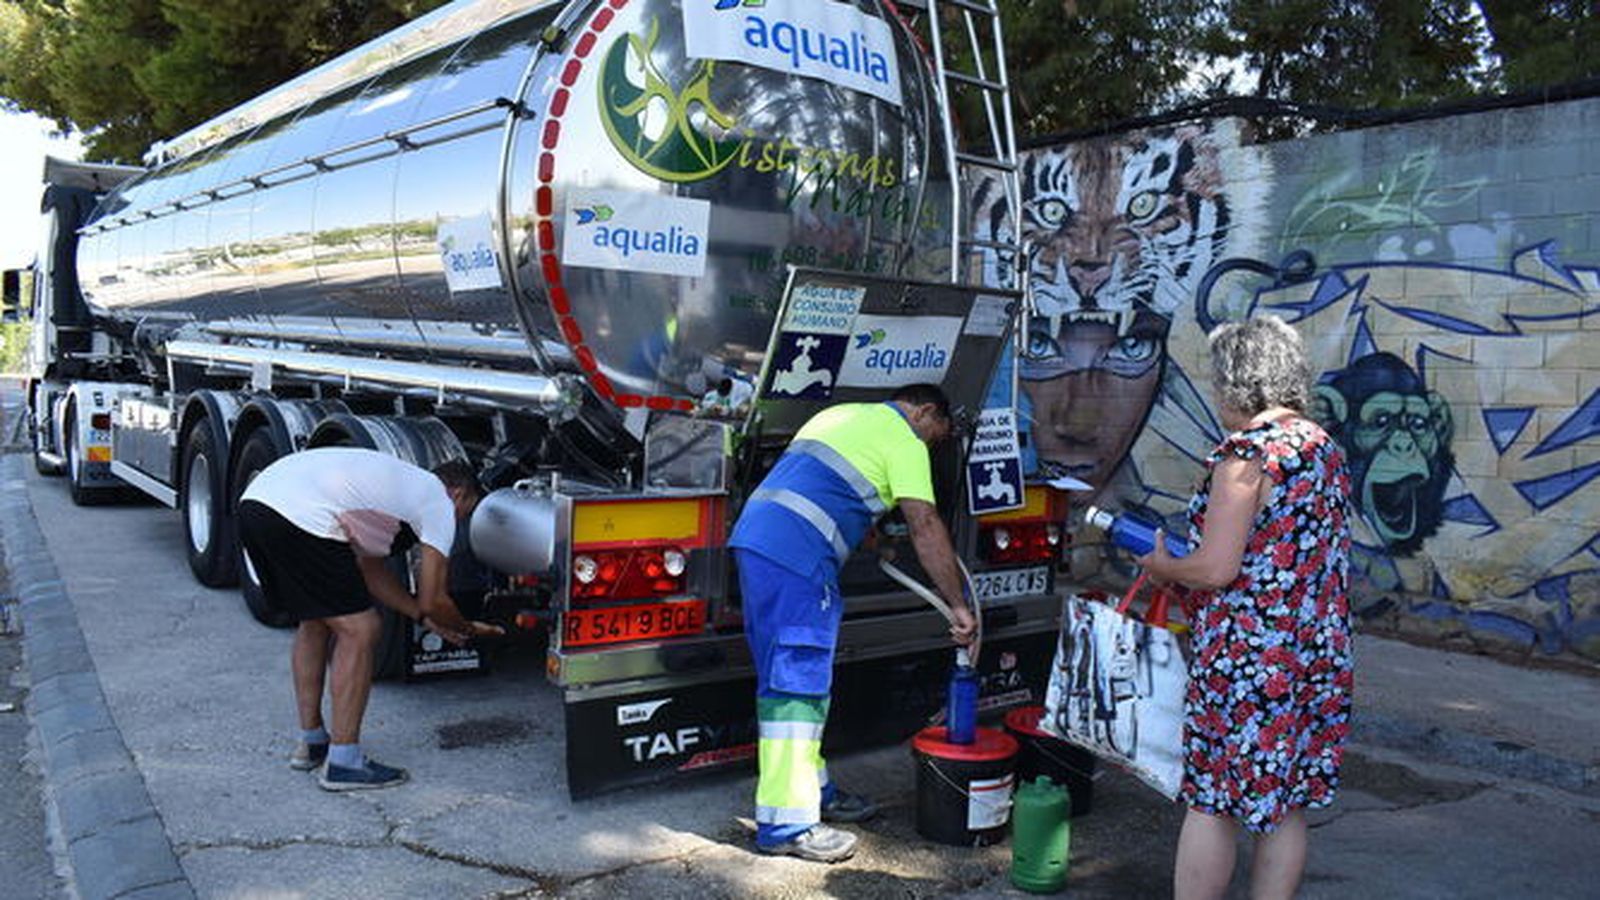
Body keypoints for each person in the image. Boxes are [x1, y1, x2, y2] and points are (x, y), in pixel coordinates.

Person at [1135, 315, 1353, 900]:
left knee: (1213, 798)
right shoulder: (1321, 448)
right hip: (1315, 653)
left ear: (1237, 383)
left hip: (1249, 659)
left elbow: (1215, 568)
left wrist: (1162, 568)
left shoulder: (1247, 453)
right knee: (1285, 800)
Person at [729, 383, 979, 863]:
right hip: (796, 560)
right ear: (925, 412)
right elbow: (925, 523)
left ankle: (815, 789)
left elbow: (824, 489)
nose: (929, 447)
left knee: (789, 681)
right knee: (796, 689)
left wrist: (871, 541)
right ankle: (787, 825)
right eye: (935, 436)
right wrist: (958, 604)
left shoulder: (844, 417)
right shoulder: (904, 439)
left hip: (759, 543)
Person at [238, 447, 498, 791]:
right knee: (361, 629)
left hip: (256, 504)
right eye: (464, 514)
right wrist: (466, 627)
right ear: (459, 493)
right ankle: (344, 763)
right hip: (298, 513)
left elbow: (369, 569)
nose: (457, 525)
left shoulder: (391, 497)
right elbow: (434, 597)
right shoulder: (438, 499)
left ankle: (312, 741)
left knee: (316, 620)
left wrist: (422, 617)